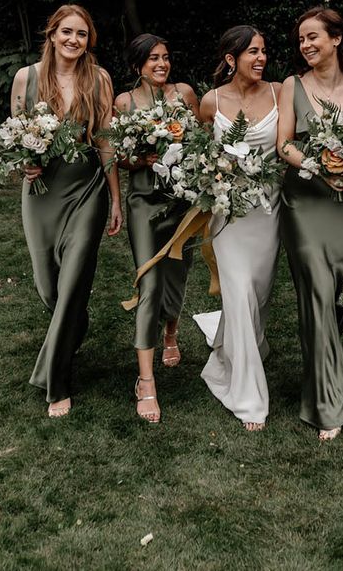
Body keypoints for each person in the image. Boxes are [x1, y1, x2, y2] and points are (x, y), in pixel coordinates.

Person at [9, 4, 122, 418]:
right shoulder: (27, 77)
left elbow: (106, 138)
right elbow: (16, 136)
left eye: (82, 34)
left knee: (74, 280)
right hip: (41, 190)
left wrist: (115, 197)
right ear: (52, 34)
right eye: (67, 32)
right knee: (49, 288)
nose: (74, 40)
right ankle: (75, 325)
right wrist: (25, 162)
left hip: (87, 187)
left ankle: (57, 384)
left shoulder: (100, 78)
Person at [277, 6, 343, 440]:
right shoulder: (292, 86)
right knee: (317, 294)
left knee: (341, 293)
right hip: (304, 204)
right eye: (301, 39)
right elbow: (283, 145)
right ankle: (327, 403)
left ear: (338, 39)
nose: (306, 45)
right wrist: (321, 166)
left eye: (314, 37)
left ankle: (323, 362)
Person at [193, 26, 282, 432]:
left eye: (263, 51)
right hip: (228, 215)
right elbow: (201, 154)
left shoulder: (281, 93)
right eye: (252, 52)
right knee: (240, 289)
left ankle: (232, 348)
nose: (261, 58)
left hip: (268, 211)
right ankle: (248, 398)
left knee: (257, 295)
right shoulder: (211, 101)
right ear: (231, 59)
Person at [114, 33, 199, 423]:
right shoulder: (124, 103)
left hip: (182, 201)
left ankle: (170, 333)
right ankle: (145, 380)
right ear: (137, 66)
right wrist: (143, 157)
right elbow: (120, 159)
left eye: (165, 57)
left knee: (177, 274)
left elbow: (199, 145)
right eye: (152, 59)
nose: (161, 64)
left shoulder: (185, 93)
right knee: (149, 281)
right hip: (144, 202)